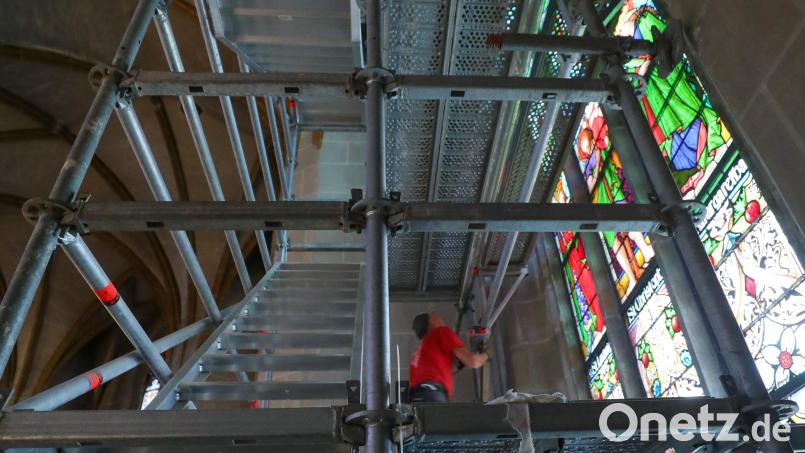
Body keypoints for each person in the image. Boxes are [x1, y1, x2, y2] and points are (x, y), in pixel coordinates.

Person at [408, 311, 489, 403]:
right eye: (435, 315)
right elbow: (473, 361)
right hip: (433, 395)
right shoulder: (440, 332)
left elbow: (450, 366)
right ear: (432, 321)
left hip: (414, 399)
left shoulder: (420, 351)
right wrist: (486, 355)